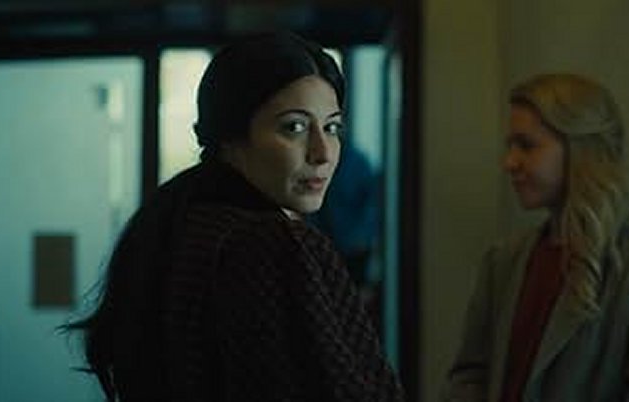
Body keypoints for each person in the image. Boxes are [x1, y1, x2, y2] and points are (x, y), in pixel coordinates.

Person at [63, 31, 404, 402]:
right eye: (294, 127)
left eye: (332, 127)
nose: (322, 152)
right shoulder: (271, 244)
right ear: (231, 135)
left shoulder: (184, 224)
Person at [443, 73, 629, 401]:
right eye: (509, 146)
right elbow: (470, 376)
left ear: (580, 150)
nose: (509, 163)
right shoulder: (503, 261)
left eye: (526, 145)